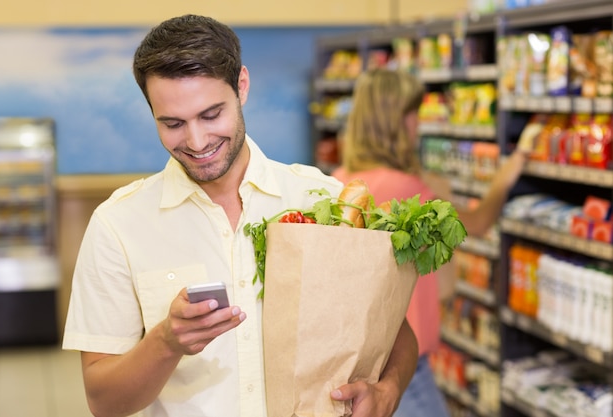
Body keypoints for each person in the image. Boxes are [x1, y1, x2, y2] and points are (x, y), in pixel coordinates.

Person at [62, 15, 419, 417]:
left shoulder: (325, 200)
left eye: (211, 115)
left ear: (242, 87)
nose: (196, 142)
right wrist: (165, 342)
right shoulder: (118, 225)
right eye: (173, 124)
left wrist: (387, 390)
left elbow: (397, 332)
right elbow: (104, 401)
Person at [332, 68, 530, 417]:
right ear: (397, 122)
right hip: (402, 362)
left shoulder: (340, 182)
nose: (418, 126)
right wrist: (507, 175)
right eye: (413, 115)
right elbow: (480, 223)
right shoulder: (408, 191)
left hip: (360, 356)